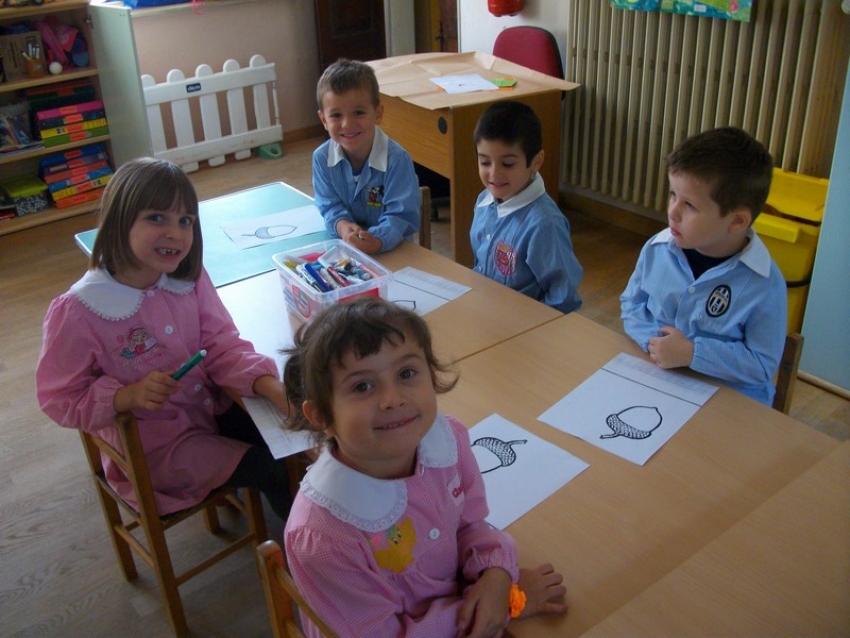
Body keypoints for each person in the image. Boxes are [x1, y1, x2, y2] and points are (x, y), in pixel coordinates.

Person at [281, 298, 568, 637]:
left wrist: (497, 573)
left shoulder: (448, 440)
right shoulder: (324, 536)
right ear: (322, 417)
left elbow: (470, 524)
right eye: (362, 386)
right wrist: (507, 604)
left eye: (406, 373)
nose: (394, 398)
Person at [35, 157, 292, 520]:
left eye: (185, 220)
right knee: (273, 469)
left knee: (294, 441)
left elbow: (220, 342)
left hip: (208, 410)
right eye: (157, 217)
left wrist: (269, 386)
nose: (175, 232)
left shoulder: (187, 277)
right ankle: (307, 559)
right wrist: (126, 396)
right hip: (157, 452)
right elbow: (58, 399)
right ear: (120, 220)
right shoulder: (78, 312)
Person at [620, 127, 787, 406]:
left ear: (736, 221)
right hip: (659, 380)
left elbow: (762, 365)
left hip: (730, 402)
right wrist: (655, 343)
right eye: (673, 194)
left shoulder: (764, 283)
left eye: (690, 205)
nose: (672, 211)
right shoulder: (657, 249)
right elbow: (632, 304)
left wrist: (692, 353)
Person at [470, 100, 583, 314]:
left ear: (536, 161)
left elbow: (563, 297)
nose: (494, 174)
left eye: (508, 164)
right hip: (485, 311)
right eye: (485, 162)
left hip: (522, 329)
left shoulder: (544, 224)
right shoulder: (484, 200)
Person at [312, 58, 420, 254]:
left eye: (358, 113)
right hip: (348, 250)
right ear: (323, 120)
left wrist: (377, 240)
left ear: (378, 113)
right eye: (336, 115)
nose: (347, 124)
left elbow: (401, 216)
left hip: (393, 251)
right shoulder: (321, 159)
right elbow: (329, 205)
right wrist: (342, 225)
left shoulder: (396, 159)